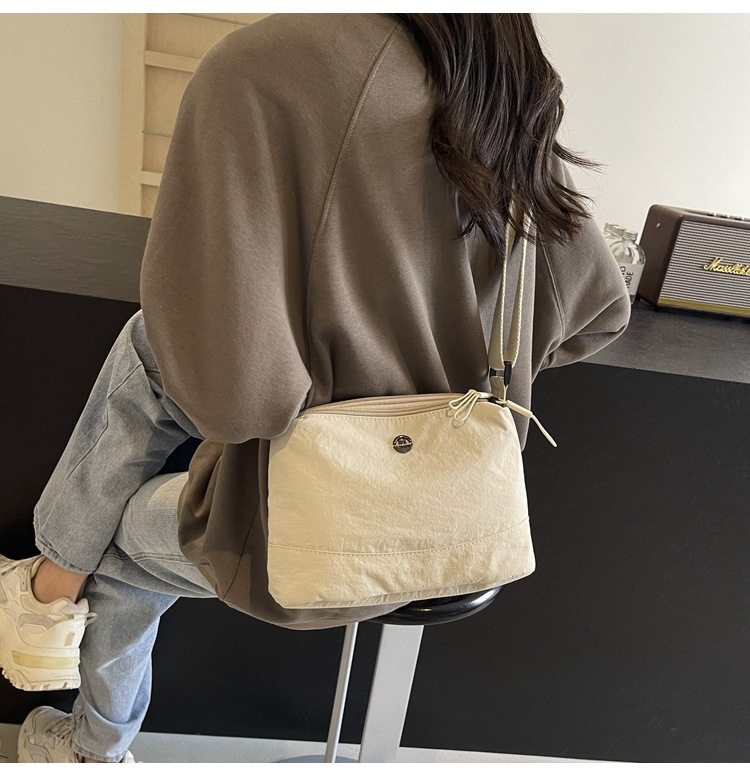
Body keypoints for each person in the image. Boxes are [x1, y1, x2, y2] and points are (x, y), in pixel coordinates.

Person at [0, 13, 631, 763]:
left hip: (305, 532)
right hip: (458, 515)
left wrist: (330, 371)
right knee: (145, 352)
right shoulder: (498, 74)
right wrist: (430, 372)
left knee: (115, 532)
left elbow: (234, 400)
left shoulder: (259, 67)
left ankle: (75, 694)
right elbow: (598, 310)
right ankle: (51, 598)